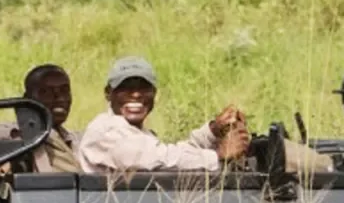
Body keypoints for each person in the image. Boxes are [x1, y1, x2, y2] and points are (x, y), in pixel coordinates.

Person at [77, 56, 248, 174]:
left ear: (154, 94)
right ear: (108, 94)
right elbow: (162, 161)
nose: (136, 95)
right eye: (126, 88)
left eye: (143, 88)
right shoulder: (105, 131)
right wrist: (218, 155)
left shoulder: (135, 132)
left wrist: (212, 132)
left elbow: (173, 155)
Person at [0, 64, 83, 174]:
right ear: (28, 98)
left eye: (64, 90)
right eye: (46, 92)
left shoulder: (75, 140)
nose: (59, 97)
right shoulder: (17, 136)